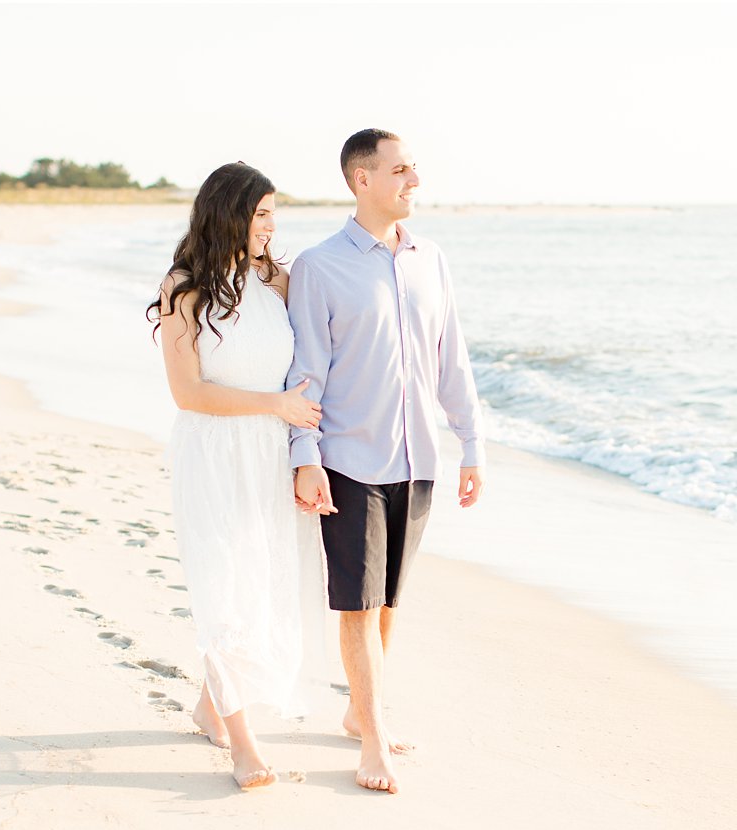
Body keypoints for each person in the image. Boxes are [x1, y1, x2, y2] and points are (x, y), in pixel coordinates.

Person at [287, 129, 486, 795]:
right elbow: (305, 373)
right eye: (400, 171)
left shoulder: (431, 258)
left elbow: (450, 357)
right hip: (347, 459)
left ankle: (355, 709)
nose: (414, 182)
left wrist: (471, 444)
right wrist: (304, 458)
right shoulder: (320, 266)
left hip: (418, 457)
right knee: (358, 603)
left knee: (388, 601)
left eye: (413, 169)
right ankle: (372, 738)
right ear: (360, 180)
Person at [147, 162, 327, 790]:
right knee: (223, 586)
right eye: (258, 213)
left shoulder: (277, 280)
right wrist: (275, 406)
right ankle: (243, 745)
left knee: (258, 580)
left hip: (271, 454)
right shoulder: (184, 288)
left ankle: (208, 704)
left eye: (273, 212)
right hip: (214, 453)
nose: (269, 226)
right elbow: (188, 393)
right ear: (225, 213)